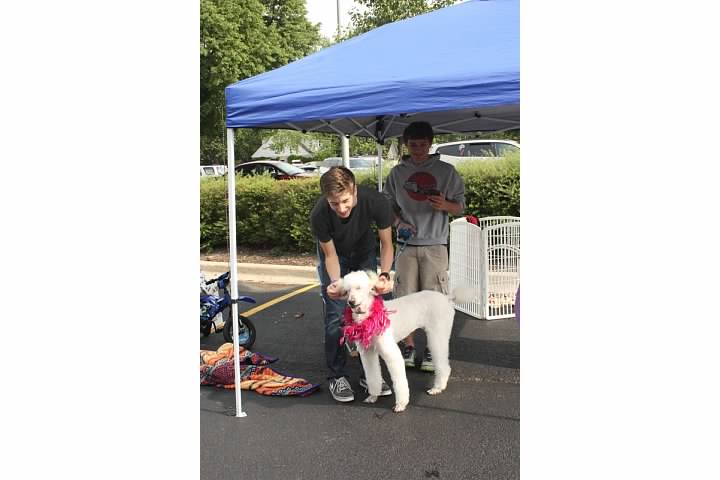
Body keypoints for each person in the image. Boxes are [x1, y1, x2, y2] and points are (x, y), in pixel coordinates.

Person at [383, 121, 465, 372]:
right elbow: (386, 206)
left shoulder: (446, 171)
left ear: (430, 144)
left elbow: (460, 207)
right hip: (406, 245)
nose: (418, 149)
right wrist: (399, 223)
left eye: (422, 144)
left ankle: (432, 349)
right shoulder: (397, 174)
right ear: (406, 145)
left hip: (435, 244)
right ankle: (408, 346)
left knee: (435, 299)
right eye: (413, 145)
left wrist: (445, 205)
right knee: (404, 297)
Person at [310, 166, 395, 403]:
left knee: (370, 313)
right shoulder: (319, 214)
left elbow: (387, 244)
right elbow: (330, 256)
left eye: (345, 201)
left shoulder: (376, 202)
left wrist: (384, 275)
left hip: (364, 253)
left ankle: (370, 376)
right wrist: (336, 284)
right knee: (336, 315)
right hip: (337, 256)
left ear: (354, 190)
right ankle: (337, 375)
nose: (341, 208)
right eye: (334, 203)